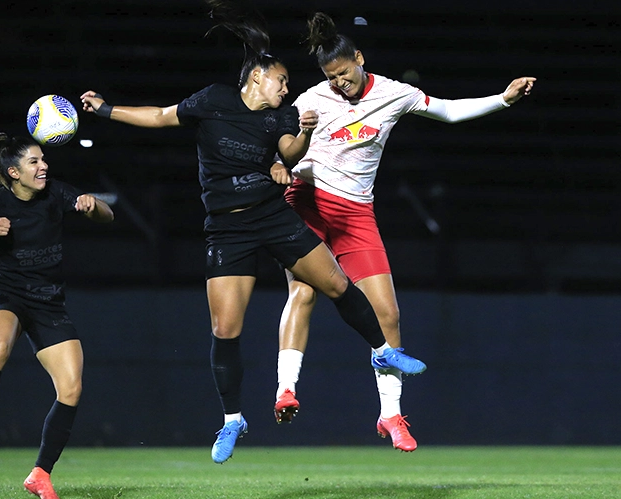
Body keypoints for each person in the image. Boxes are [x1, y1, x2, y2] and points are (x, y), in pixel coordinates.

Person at [78, 0, 425, 464]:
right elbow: (160, 116)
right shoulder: (212, 100)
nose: (288, 88)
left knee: (337, 284)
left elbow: (289, 149)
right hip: (227, 229)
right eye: (282, 80)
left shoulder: (282, 116)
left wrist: (298, 142)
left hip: (273, 217)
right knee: (225, 329)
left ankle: (382, 351)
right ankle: (232, 420)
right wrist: (106, 110)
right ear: (258, 76)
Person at [272, 12, 536, 452]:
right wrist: (278, 164)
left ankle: (390, 416)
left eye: (343, 73)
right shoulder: (311, 98)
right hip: (308, 203)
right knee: (303, 293)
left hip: (356, 216)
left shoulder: (395, 93)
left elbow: (448, 112)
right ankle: (285, 389)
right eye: (331, 77)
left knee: (388, 315)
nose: (339, 83)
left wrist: (504, 99)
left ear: (359, 58)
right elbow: (278, 142)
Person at [0, 133, 114, 499]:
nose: (44, 167)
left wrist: (93, 204)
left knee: (71, 388)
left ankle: (40, 474)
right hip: (7, 294)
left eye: (43, 160)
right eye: (35, 162)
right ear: (14, 172)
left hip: (48, 302)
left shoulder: (56, 192)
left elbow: (108, 214)